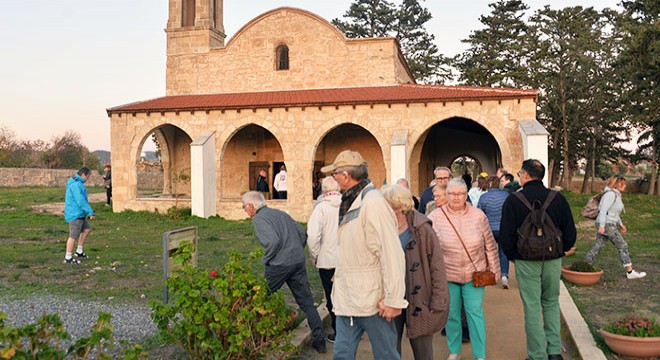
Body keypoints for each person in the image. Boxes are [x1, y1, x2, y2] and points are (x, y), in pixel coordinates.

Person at [321, 150, 408, 360]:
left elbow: (391, 252)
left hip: (372, 300)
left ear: (345, 176)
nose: (333, 178)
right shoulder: (351, 200)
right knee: (342, 354)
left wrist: (394, 299)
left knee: (386, 355)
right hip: (347, 298)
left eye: (334, 174)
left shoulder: (374, 203)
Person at [499, 159, 577, 360]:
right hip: (552, 259)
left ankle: (536, 355)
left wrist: (513, 256)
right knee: (551, 302)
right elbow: (570, 232)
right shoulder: (557, 199)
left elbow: (506, 235)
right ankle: (554, 352)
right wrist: (561, 251)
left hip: (526, 260)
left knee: (532, 307)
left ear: (524, 175)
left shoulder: (514, 200)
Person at [241, 191, 326, 353]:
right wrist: (294, 250)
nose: (244, 210)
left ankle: (251, 337)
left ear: (251, 206)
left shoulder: (259, 219)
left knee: (258, 297)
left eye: (244, 207)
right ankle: (319, 340)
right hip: (297, 262)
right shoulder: (280, 213)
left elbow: (272, 241)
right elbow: (302, 233)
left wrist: (267, 259)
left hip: (279, 265)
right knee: (307, 302)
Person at [428, 178, 500, 360]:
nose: (456, 197)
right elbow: (428, 248)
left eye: (460, 194)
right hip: (447, 274)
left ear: (466, 194)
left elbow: (490, 244)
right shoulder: (435, 217)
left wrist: (495, 271)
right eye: (452, 193)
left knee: (474, 313)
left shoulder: (478, 216)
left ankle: (480, 354)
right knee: (451, 315)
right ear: (447, 195)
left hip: (474, 274)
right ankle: (454, 351)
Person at [381, 184, 449, 360]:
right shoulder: (381, 228)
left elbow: (437, 267)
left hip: (420, 298)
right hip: (390, 296)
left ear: (402, 208)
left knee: (423, 350)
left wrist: (438, 300)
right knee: (388, 347)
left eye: (392, 208)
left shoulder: (423, 229)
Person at [585, 175, 646, 279]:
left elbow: (614, 213)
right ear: (617, 184)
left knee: (598, 246)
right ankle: (630, 272)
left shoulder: (616, 195)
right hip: (607, 224)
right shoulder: (610, 195)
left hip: (608, 223)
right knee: (622, 245)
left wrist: (621, 224)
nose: (625, 186)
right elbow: (603, 211)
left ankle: (585, 265)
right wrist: (602, 226)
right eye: (623, 184)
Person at [306, 177, 342, 342]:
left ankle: (338, 330)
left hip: (327, 260)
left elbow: (313, 235)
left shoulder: (321, 208)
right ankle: (352, 328)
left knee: (331, 296)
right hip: (347, 259)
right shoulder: (348, 205)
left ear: (323, 190)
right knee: (347, 294)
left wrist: (315, 255)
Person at [477, 175, 511, 289]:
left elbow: (479, 214)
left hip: (489, 229)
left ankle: (491, 275)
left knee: (488, 253)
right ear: (499, 184)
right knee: (503, 252)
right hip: (503, 228)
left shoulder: (483, 197)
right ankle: (504, 275)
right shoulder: (506, 196)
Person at [63, 167, 96, 264]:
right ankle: (68, 257)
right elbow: (80, 201)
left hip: (79, 213)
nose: (88, 179)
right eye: (88, 176)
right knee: (73, 236)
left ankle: (79, 251)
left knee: (87, 229)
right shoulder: (76, 185)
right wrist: (90, 212)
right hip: (75, 214)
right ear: (83, 175)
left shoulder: (77, 183)